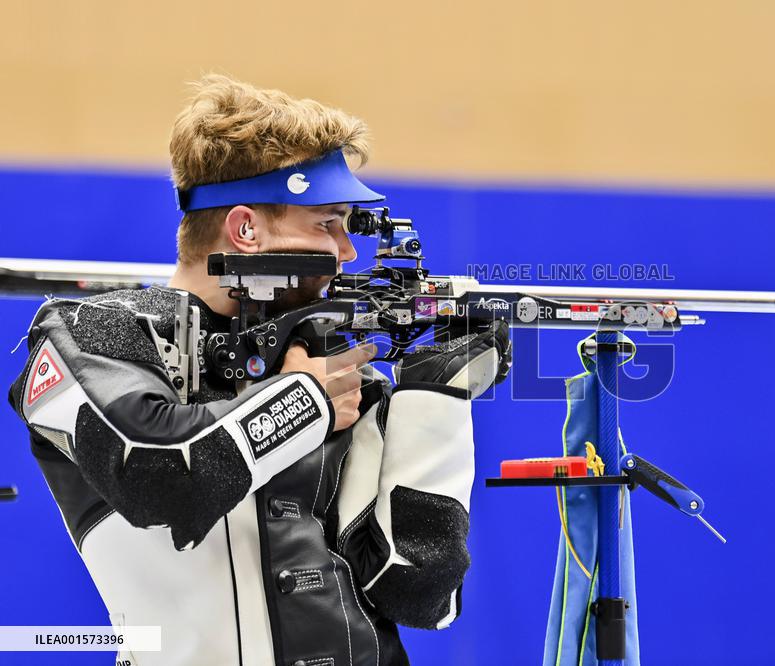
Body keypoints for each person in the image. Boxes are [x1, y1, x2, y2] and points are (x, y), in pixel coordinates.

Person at [7, 74, 511, 666]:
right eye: (327, 223)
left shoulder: (326, 358)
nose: (348, 252)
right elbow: (161, 476)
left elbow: (419, 594)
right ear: (245, 230)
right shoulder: (90, 334)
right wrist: (306, 402)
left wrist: (436, 402)